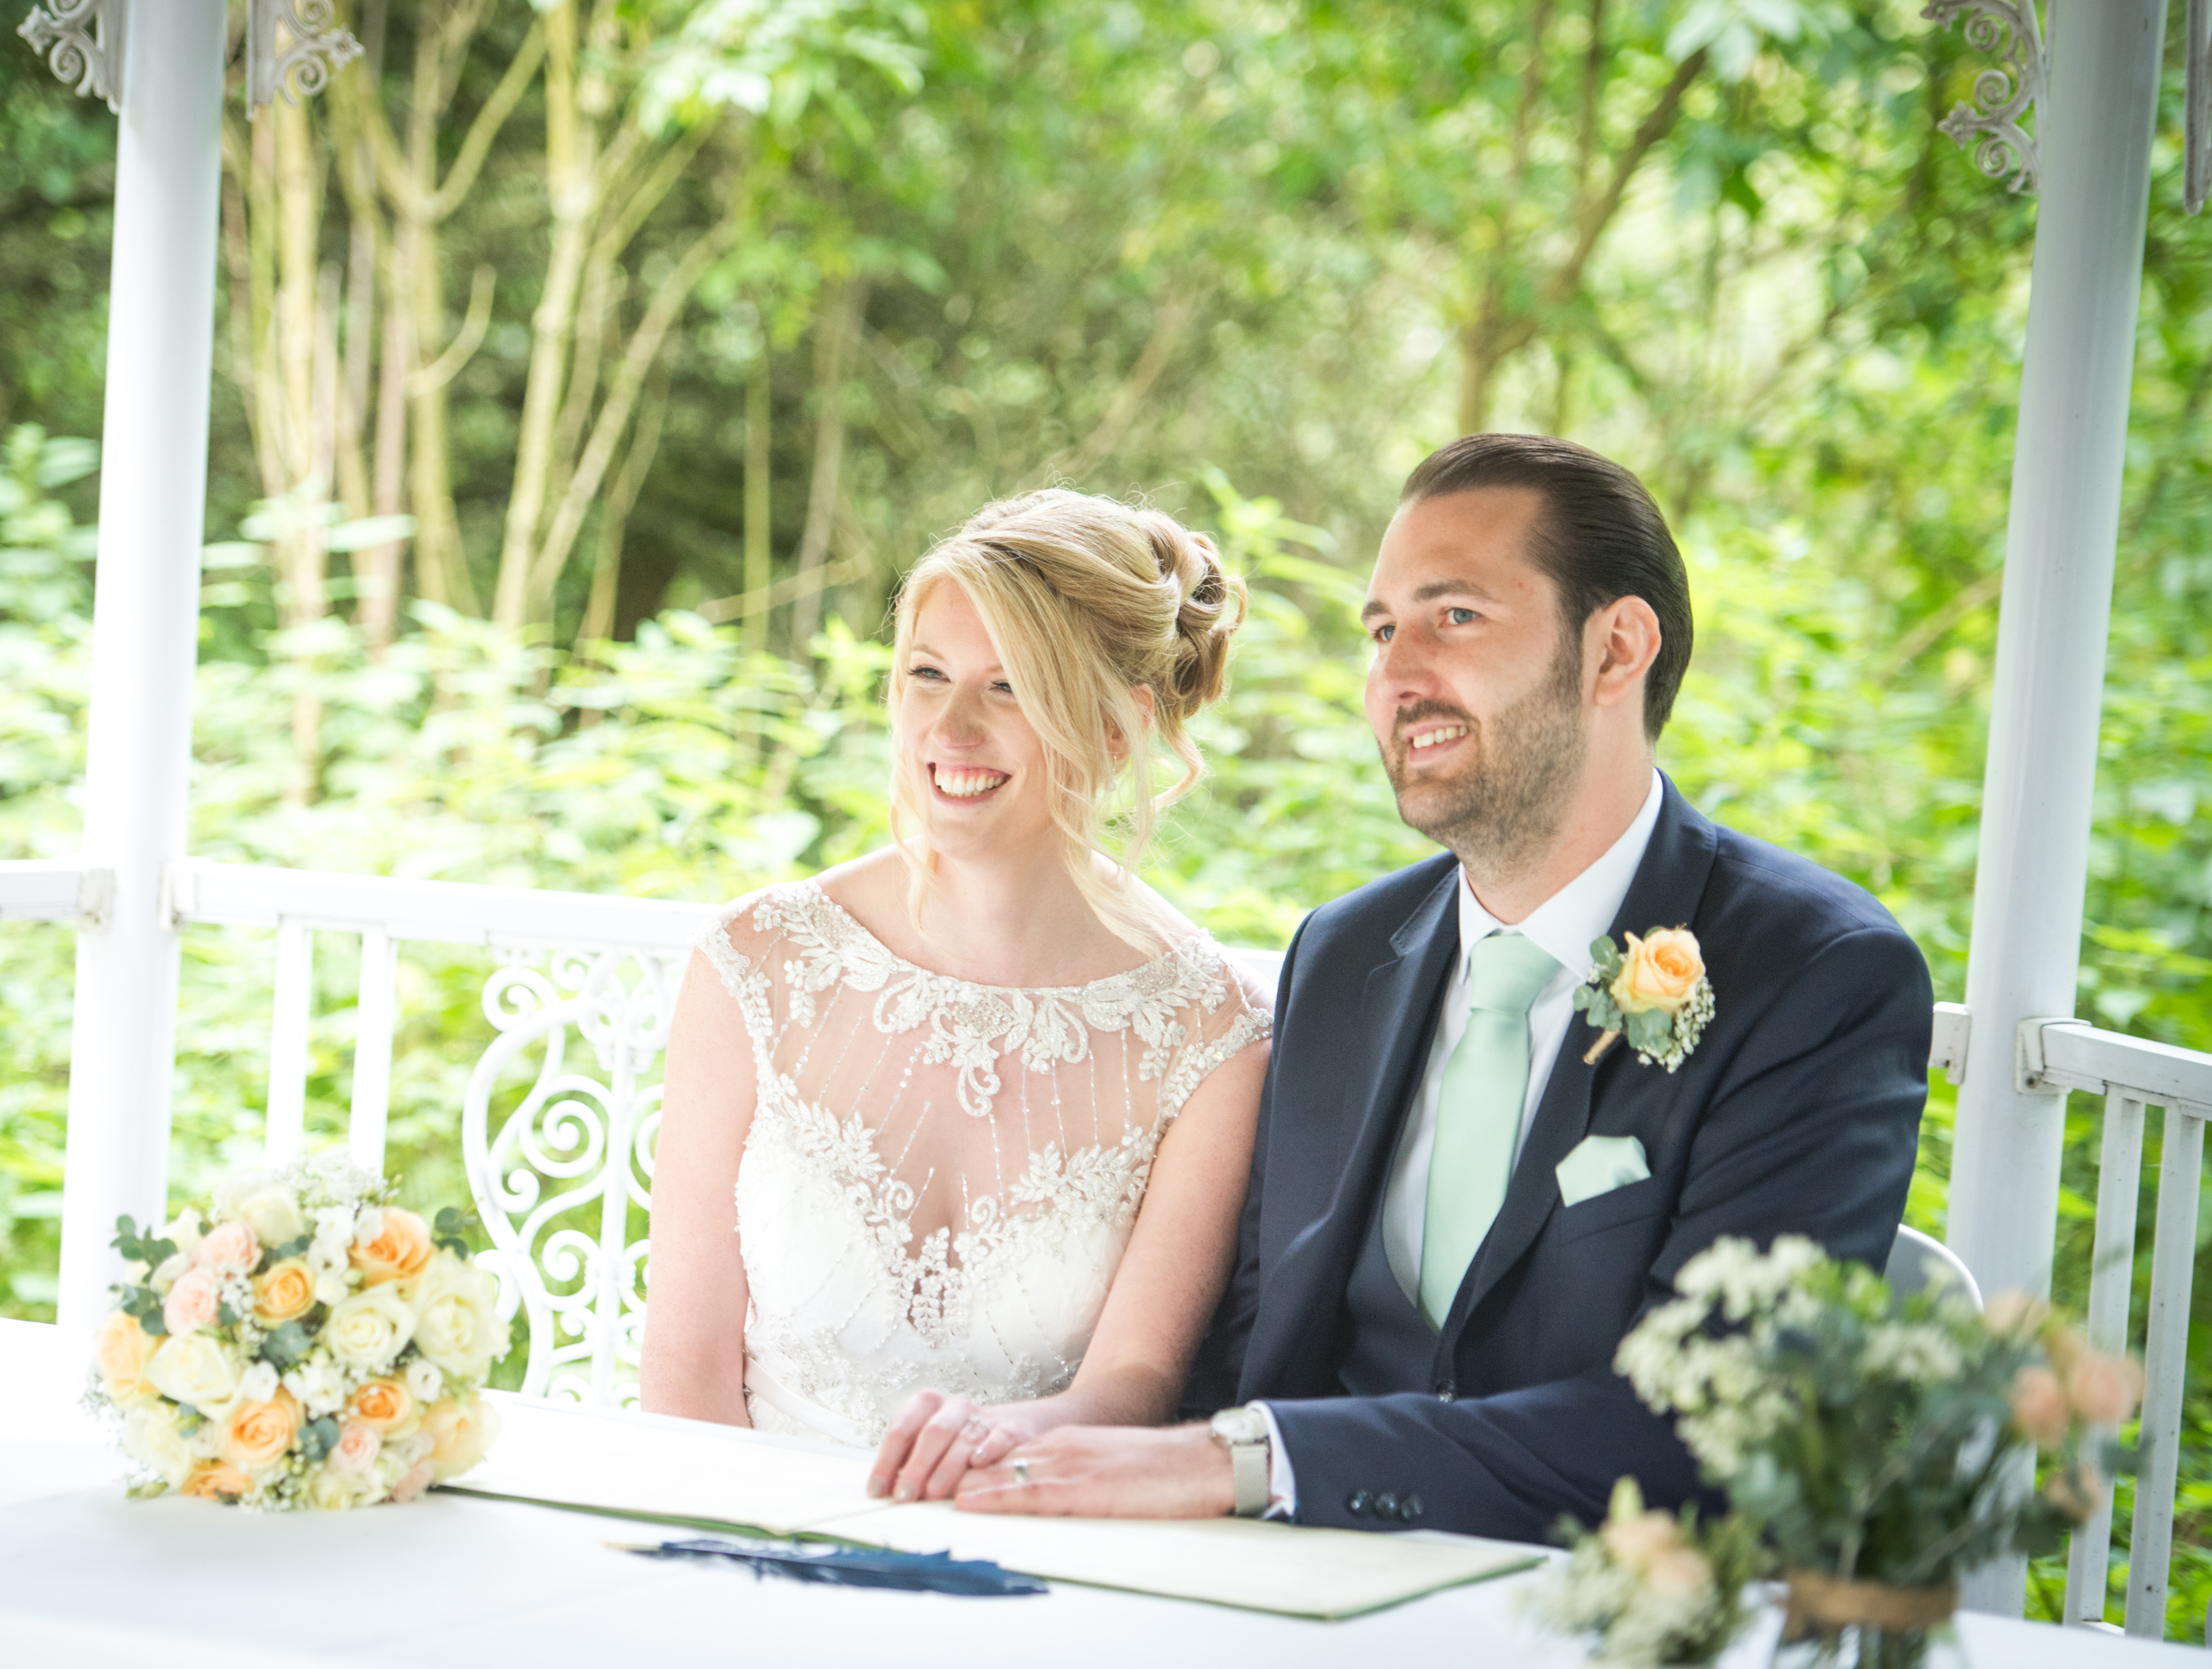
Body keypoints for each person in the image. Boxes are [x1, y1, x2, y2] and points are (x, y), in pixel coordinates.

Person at [946, 435, 1932, 1542]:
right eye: (1381, 631)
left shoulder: (1814, 977)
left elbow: (1717, 1424)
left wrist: (1253, 1462)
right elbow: (1253, 1340)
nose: (1396, 675)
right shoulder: (1344, 954)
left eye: (1454, 617)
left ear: (1616, 649)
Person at [638, 489, 1275, 1504]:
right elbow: (684, 1369)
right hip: (733, 1539)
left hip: (1027, 1545)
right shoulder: (756, 964)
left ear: (1118, 730)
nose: (949, 726)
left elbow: (1135, 1386)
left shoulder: (1210, 1034)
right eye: (926, 675)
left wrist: (998, 1449)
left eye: (1009, 687)